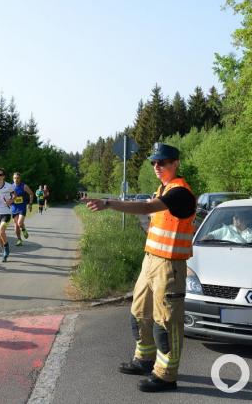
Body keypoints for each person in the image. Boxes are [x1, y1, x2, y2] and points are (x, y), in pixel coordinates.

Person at [82, 143, 196, 393]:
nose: (157, 166)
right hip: (151, 260)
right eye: (154, 162)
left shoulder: (180, 193)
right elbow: (149, 210)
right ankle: (144, 359)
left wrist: (109, 203)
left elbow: (145, 208)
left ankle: (166, 375)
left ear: (175, 163)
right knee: (139, 311)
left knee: (166, 321)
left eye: (162, 162)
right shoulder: (162, 188)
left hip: (170, 266)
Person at [10, 172, 35, 246]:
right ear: (13, 178)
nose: (16, 179)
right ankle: (19, 240)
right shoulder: (10, 187)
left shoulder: (24, 186)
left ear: (20, 179)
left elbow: (31, 194)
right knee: (16, 225)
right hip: (14, 207)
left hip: (22, 207)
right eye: (14, 178)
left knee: (20, 223)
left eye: (17, 178)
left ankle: (23, 230)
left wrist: (30, 204)